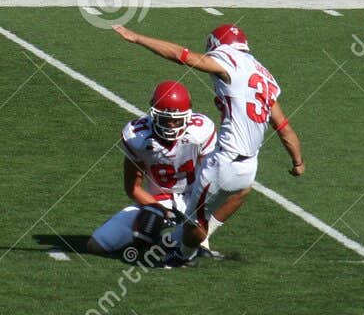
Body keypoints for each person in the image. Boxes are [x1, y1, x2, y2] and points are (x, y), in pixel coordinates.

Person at [112, 23, 304, 265]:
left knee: (194, 222)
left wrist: (138, 38)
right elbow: (283, 127)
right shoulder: (262, 75)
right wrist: (298, 161)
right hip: (249, 166)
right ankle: (190, 240)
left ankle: (181, 254)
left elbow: (182, 56)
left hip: (225, 160)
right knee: (240, 192)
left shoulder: (228, 61)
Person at [82, 78, 215, 262]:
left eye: (176, 121)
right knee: (96, 245)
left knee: (197, 253)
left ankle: (181, 239)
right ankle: (157, 238)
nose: (170, 125)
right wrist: (159, 211)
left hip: (192, 201)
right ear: (153, 114)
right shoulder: (136, 136)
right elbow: (133, 188)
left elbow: (210, 180)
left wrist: (195, 213)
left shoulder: (201, 131)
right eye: (165, 119)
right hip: (155, 202)